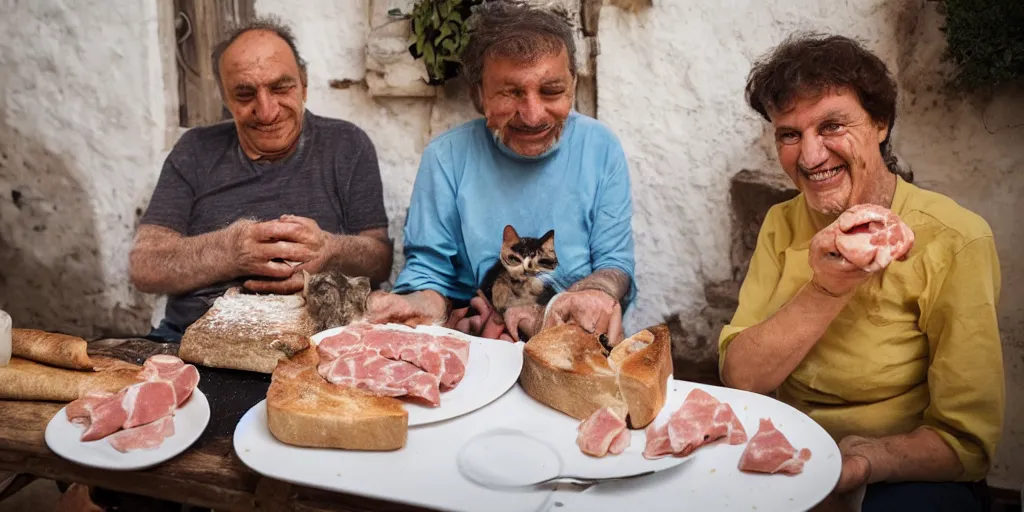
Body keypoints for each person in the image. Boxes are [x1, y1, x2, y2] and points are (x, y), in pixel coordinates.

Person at [719, 33, 1004, 511]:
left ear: (881, 123)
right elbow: (742, 376)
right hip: (793, 450)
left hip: (902, 468)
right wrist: (826, 290)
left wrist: (868, 460)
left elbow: (967, 442)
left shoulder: (956, 239)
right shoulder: (782, 222)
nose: (810, 157)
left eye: (832, 125)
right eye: (790, 134)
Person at [366, 0, 636, 344]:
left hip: (579, 339)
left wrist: (593, 293)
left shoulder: (600, 147)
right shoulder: (446, 157)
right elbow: (431, 273)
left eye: (551, 91)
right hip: (487, 346)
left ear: (572, 85)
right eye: (511, 93)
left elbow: (615, 263)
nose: (533, 114)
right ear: (478, 95)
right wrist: (415, 304)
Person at [129, 17, 393, 342]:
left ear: (304, 85)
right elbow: (145, 268)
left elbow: (379, 260)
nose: (267, 111)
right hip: (189, 342)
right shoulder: (194, 151)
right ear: (225, 98)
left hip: (314, 342)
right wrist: (229, 251)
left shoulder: (347, 145)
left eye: (281, 88)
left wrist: (330, 250)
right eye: (244, 95)